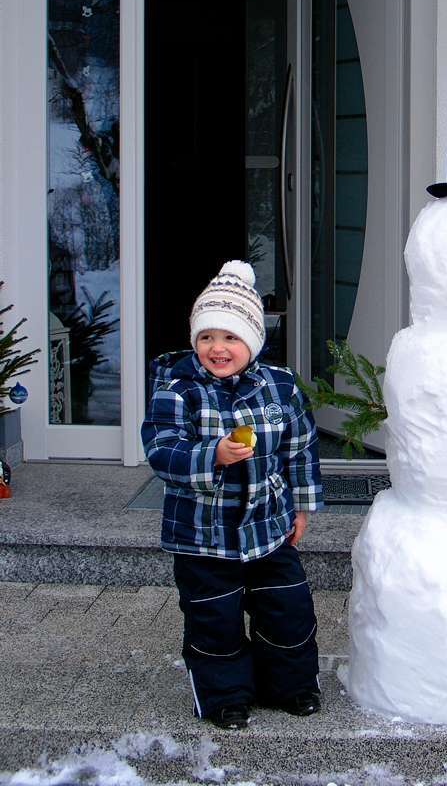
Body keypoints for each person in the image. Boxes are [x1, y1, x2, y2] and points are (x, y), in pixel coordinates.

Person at [141, 260, 324, 730]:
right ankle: (225, 697)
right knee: (214, 621)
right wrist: (213, 456)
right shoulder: (177, 389)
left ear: (253, 342)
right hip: (202, 536)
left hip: (269, 527)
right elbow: (162, 450)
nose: (217, 348)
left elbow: (300, 446)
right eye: (206, 337)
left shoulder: (279, 385)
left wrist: (302, 506)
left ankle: (291, 686)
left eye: (230, 337)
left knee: (287, 610)